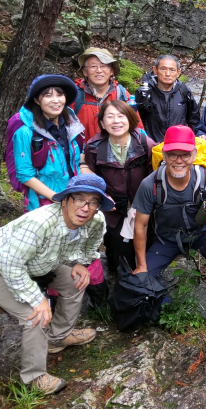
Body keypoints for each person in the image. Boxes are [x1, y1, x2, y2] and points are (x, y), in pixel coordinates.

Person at [0, 173, 111, 395]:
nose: (85, 207)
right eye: (79, 199)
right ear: (65, 199)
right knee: (35, 314)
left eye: (93, 202)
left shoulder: (96, 221)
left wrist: (81, 263)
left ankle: (58, 338)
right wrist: (37, 299)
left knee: (75, 283)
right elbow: (11, 264)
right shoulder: (39, 222)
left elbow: (91, 244)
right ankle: (34, 376)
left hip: (40, 264)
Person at [131, 125, 206, 319]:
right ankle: (169, 310)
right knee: (142, 280)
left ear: (193, 155)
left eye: (184, 155)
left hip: (203, 233)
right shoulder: (150, 184)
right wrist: (141, 264)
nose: (179, 161)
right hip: (167, 238)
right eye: (172, 154)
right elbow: (140, 225)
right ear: (164, 155)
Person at [83, 100, 156, 280]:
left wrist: (149, 201)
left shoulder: (145, 143)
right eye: (110, 117)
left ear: (130, 119)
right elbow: (91, 178)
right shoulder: (94, 148)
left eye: (121, 116)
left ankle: (144, 278)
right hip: (112, 209)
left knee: (145, 243)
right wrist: (103, 197)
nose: (116, 121)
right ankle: (119, 278)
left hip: (143, 206)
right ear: (102, 123)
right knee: (117, 250)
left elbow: (155, 176)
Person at [12, 74, 86, 211]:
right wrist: (57, 198)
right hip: (43, 205)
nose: (56, 101)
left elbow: (79, 159)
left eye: (60, 95)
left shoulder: (73, 127)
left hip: (76, 199)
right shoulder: (25, 133)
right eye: (48, 96)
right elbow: (25, 174)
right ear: (37, 100)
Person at [135, 54, 200, 143]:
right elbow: (135, 120)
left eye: (172, 70)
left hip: (179, 147)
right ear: (155, 70)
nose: (167, 74)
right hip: (152, 147)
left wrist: (192, 140)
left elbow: (194, 119)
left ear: (178, 73)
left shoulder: (184, 91)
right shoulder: (144, 92)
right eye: (163, 69)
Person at [74, 47, 135, 139]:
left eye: (103, 66)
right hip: (83, 153)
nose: (99, 70)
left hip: (114, 151)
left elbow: (136, 127)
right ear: (84, 72)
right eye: (93, 66)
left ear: (111, 71)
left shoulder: (121, 95)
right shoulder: (74, 96)